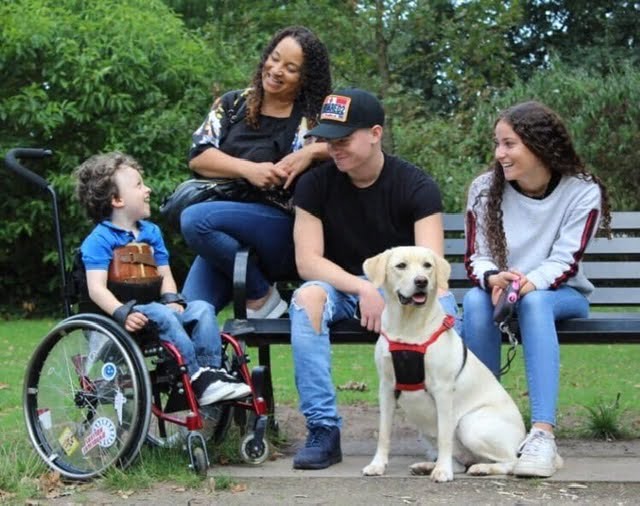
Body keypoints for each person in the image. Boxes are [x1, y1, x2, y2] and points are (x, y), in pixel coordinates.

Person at [289, 88, 460, 470]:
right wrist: (365, 287)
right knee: (307, 299)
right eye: (328, 139)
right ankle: (323, 429)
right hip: (345, 289)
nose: (334, 148)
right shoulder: (314, 185)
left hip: (405, 290)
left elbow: (433, 271)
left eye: (344, 138)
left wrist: (390, 292)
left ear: (376, 133)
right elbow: (308, 261)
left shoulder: (416, 186)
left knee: (445, 306)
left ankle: (439, 432)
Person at [462, 100, 611, 478]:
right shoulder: (483, 189)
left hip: (562, 295)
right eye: (497, 144)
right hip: (503, 289)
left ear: (539, 145)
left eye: (509, 144)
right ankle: (482, 426)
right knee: (475, 302)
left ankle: (543, 435)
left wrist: (529, 283)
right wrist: (493, 277)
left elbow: (566, 261)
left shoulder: (582, 190)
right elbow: (476, 255)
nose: (500, 154)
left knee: (535, 304)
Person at [75, 152, 251, 406]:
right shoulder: (100, 240)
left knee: (202, 308)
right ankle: (195, 376)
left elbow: (165, 274)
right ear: (116, 199)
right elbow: (96, 289)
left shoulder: (151, 232)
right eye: (138, 185)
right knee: (164, 314)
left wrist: (171, 298)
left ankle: (212, 373)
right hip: (126, 314)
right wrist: (122, 312)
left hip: (155, 308)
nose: (147, 189)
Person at [180, 26, 332, 318]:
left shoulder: (314, 115)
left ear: (305, 78)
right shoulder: (233, 103)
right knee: (191, 316)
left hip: (282, 229)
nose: (276, 70)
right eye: (274, 59)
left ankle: (260, 296)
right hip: (227, 232)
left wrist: (311, 151)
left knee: (194, 220)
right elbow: (199, 155)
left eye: (290, 68)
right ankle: (221, 360)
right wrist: (248, 170)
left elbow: (356, 147)